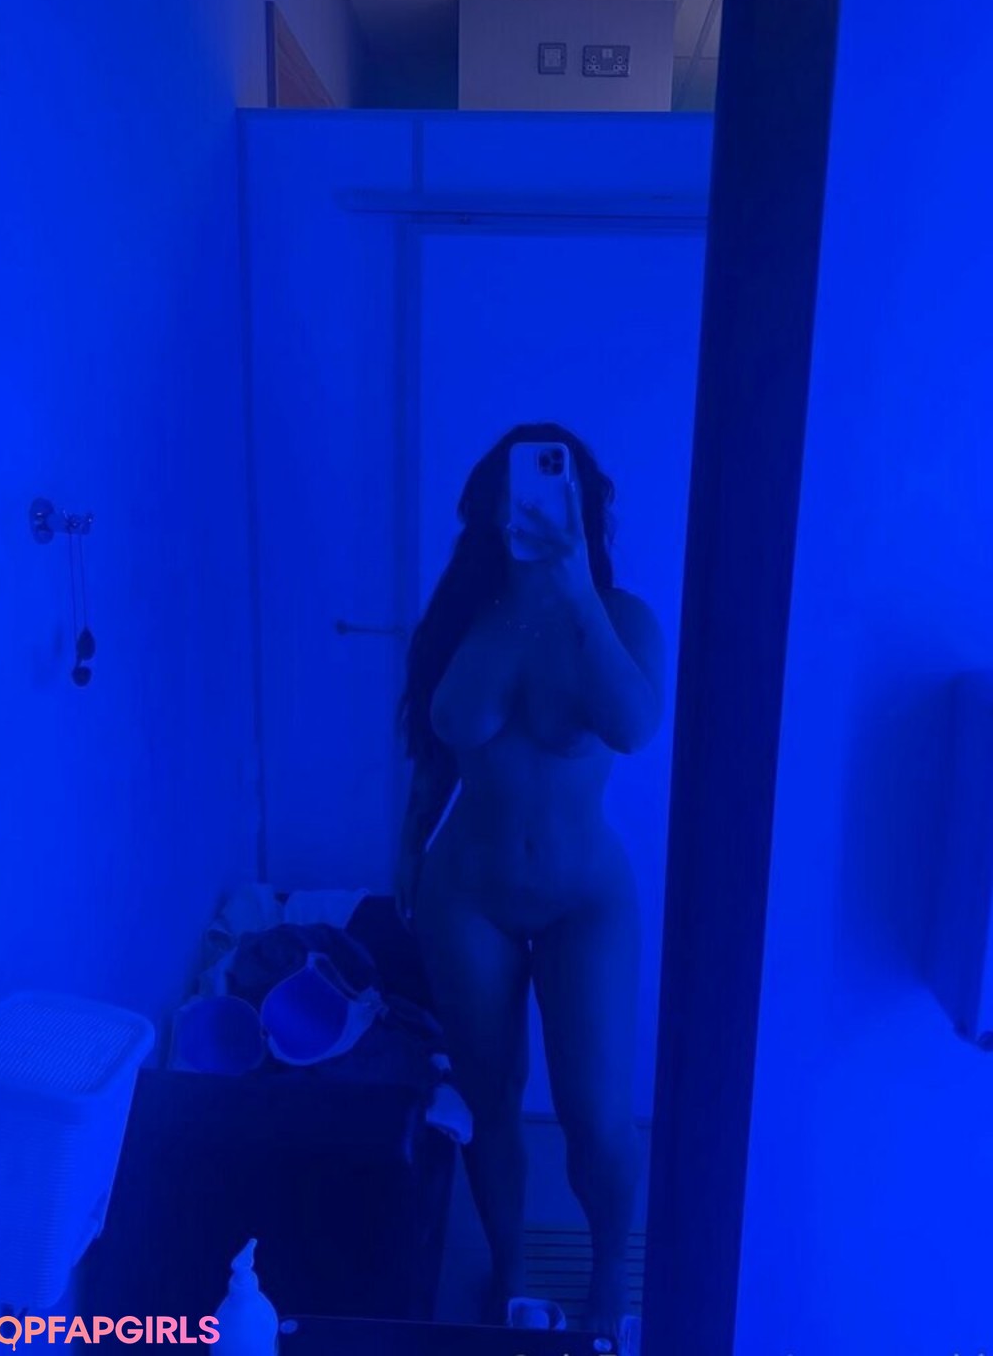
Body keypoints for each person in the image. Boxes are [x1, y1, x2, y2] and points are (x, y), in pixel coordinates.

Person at [396, 424, 664, 1337]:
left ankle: (608, 1284)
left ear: (585, 509)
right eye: (518, 497)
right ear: (489, 509)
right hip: (466, 895)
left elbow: (634, 725)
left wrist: (573, 589)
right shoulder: (460, 620)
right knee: (491, 1099)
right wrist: (407, 848)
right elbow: (436, 751)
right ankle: (510, 1275)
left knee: (597, 1119)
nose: (535, 511)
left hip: (586, 900)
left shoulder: (621, 618)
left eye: (557, 495)